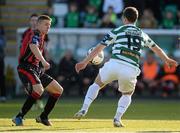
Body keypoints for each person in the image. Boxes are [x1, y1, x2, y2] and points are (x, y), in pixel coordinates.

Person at [74, 7, 178, 127]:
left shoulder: (118, 30)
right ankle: (117, 118)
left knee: (96, 84)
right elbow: (156, 49)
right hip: (130, 68)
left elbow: (99, 47)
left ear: (124, 18)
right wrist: (167, 60)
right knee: (127, 94)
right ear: (136, 19)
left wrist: (85, 62)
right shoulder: (142, 34)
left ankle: (84, 108)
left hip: (114, 64)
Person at [12, 15, 63, 126]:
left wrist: (41, 64)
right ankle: (19, 116)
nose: (48, 27)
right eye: (46, 24)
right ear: (38, 24)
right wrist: (44, 61)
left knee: (58, 90)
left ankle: (43, 116)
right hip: (26, 67)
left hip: (36, 69)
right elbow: (33, 46)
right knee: (39, 90)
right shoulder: (34, 34)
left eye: (49, 25)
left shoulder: (42, 35)